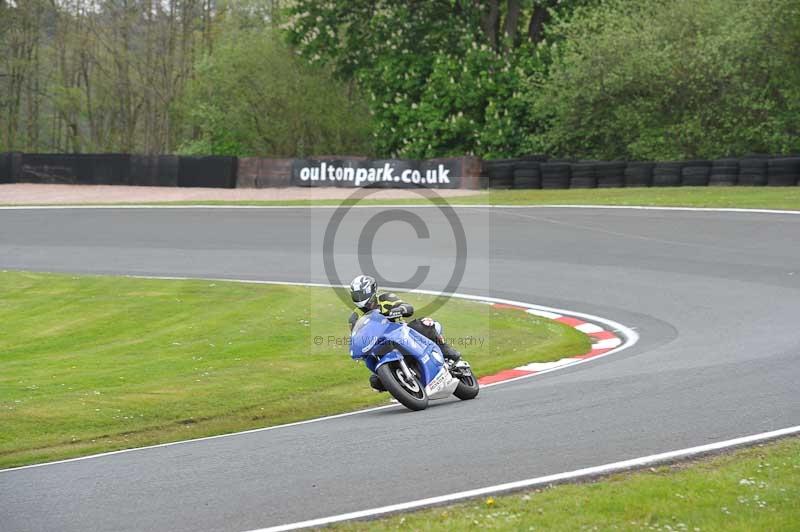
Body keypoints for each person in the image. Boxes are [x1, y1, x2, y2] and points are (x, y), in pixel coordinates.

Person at [348, 274, 461, 392]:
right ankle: (398, 383)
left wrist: (400, 309)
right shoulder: (354, 317)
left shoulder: (385, 298)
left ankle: (448, 353)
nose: (360, 297)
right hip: (379, 344)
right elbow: (357, 336)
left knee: (425, 324)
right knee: (375, 381)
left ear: (371, 290)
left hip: (401, 331)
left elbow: (407, 307)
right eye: (356, 295)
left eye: (362, 294)